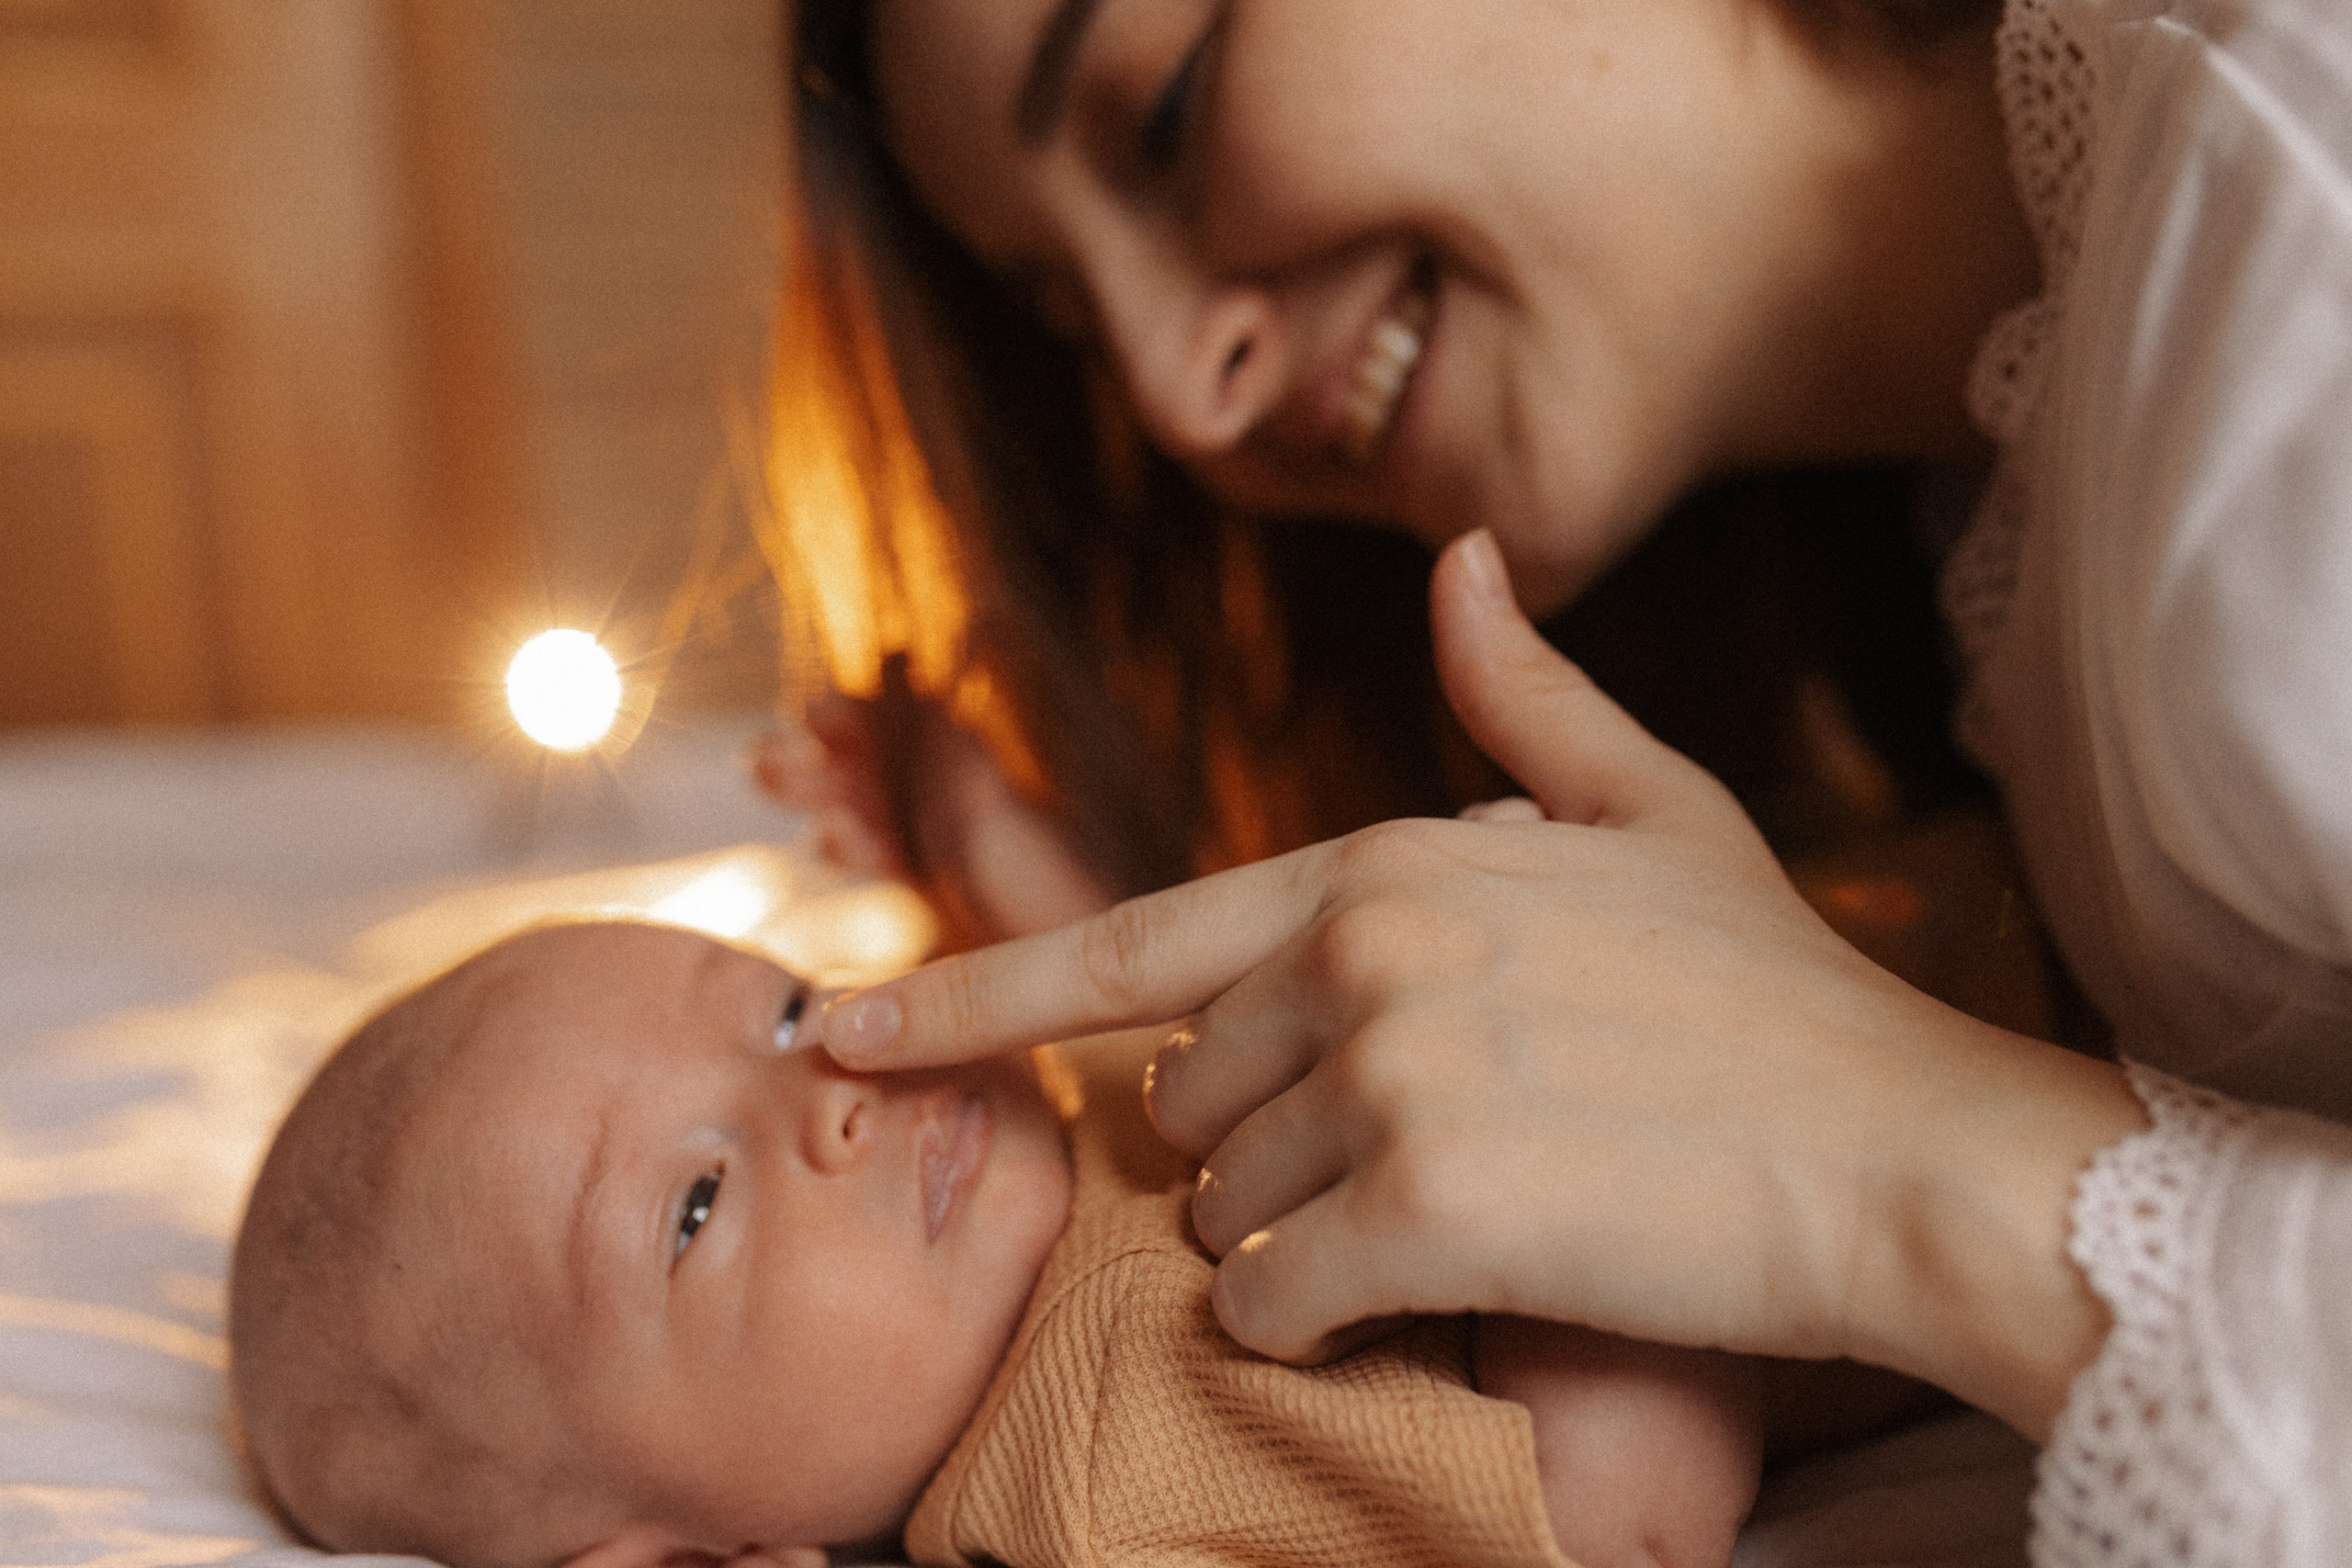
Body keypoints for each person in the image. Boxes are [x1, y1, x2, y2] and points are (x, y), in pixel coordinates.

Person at [760, 0, 2352, 1561]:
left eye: (1170, 108)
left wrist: (1903, 1163)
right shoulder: (1993, 546)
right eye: (1073, 322)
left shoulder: (2292, 259)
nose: (1183, 397)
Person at [227, 919, 1932, 1568]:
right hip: (1910, 1141)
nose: (829, 1096)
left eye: (787, 1007)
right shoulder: (1103, 1463)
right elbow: (1619, 1526)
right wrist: (1608, 1167)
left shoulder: (1023, 1150)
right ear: (686, 1565)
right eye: (693, 1206)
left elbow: (1155, 973)